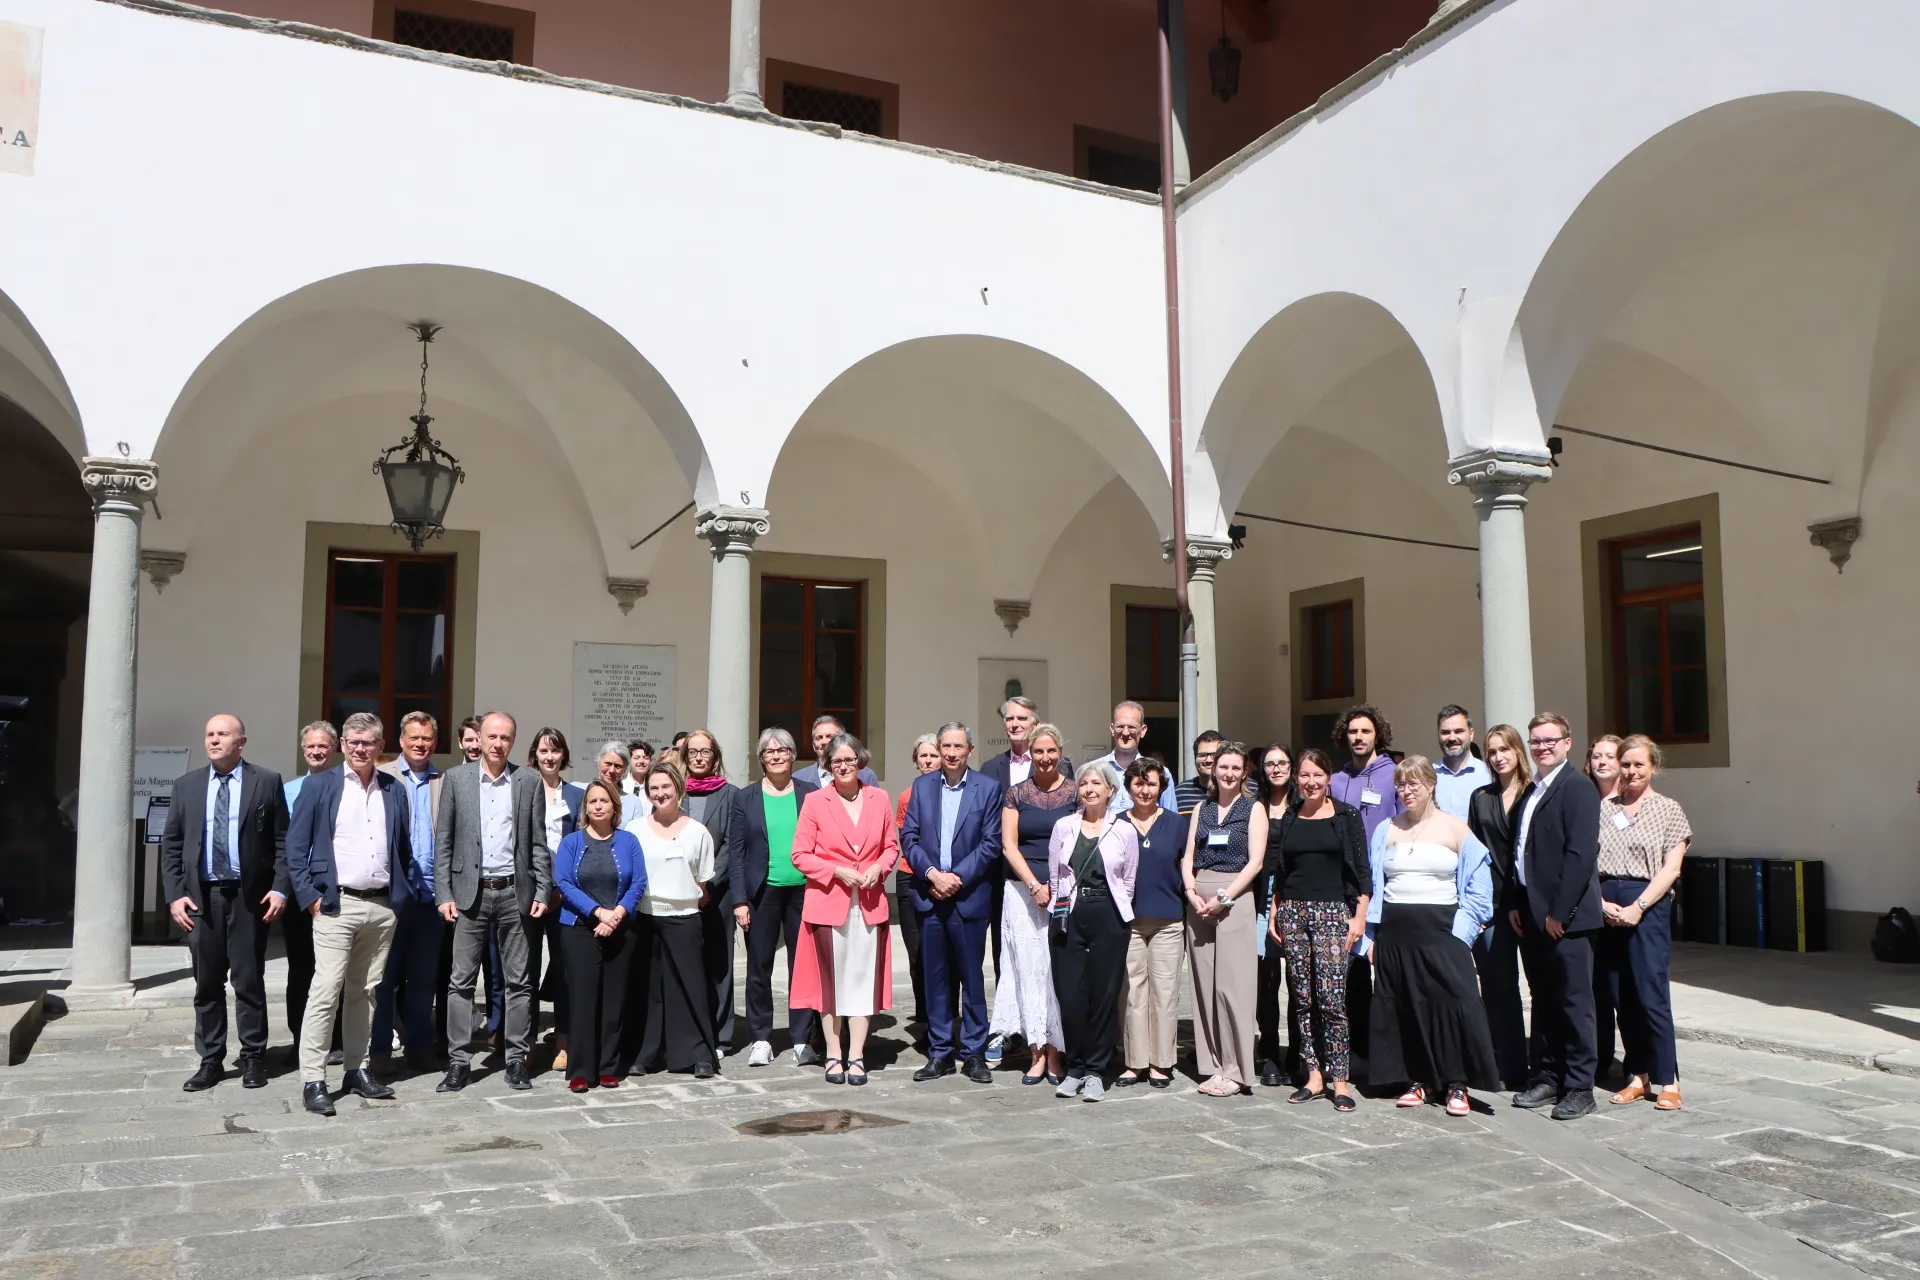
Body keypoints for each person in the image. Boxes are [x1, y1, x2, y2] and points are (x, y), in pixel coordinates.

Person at [286, 712, 413, 1116]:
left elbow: (403, 848)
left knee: (365, 992)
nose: (361, 749)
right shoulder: (320, 785)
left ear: (381, 747)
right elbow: (295, 846)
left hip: (380, 907)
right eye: (354, 742)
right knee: (326, 991)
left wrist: (399, 897)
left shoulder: (394, 788)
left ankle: (356, 1069)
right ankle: (313, 1077)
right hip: (335, 905)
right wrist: (309, 896)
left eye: (369, 743)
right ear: (342, 745)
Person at [1364, 755, 1500, 1117]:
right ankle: (1418, 1079)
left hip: (1443, 932)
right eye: (1401, 784)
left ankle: (1457, 1083)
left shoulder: (1456, 829)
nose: (1407, 791)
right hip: (1395, 932)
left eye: (1414, 784)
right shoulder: (1386, 829)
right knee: (1407, 1005)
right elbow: (1375, 884)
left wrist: (1461, 934)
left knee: (1456, 1001)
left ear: (1431, 785)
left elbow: (1480, 889)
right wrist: (1372, 936)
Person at [162, 714, 290, 1092]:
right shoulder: (186, 786)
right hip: (203, 899)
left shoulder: (265, 781)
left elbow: (282, 841)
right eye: (210, 734)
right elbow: (171, 845)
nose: (214, 740)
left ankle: (253, 1057)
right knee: (207, 984)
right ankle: (211, 1060)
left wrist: (280, 887)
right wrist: (174, 895)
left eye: (223, 734)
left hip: (249, 898)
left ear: (241, 741)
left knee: (249, 980)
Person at [434, 711, 551, 1093]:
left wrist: (543, 890)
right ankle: (458, 1061)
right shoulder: (456, 779)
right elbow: (444, 843)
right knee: (460, 982)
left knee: (519, 981)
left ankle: (516, 1059)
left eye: (506, 737)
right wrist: (444, 894)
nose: (498, 743)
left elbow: (537, 842)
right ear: (479, 739)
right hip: (471, 894)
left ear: (513, 741)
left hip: (515, 893)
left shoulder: (528, 781)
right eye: (492, 736)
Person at [790, 733, 899, 1086]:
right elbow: (800, 855)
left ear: (860, 761)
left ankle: (857, 1055)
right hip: (828, 904)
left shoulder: (879, 798)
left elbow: (891, 847)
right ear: (828, 765)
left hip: (868, 905)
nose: (843, 765)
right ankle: (834, 1052)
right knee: (830, 983)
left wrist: (878, 868)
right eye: (837, 760)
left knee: (861, 981)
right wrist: (835, 870)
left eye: (850, 759)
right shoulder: (815, 802)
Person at [1511, 712, 1604, 1121]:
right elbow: (1522, 853)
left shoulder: (1578, 788)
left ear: (1567, 743)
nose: (1542, 747)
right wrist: (1517, 901)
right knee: (1544, 1001)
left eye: (1550, 740)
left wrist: (1558, 913)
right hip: (1533, 916)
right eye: (1536, 741)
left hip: (1566, 920)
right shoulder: (1533, 789)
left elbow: (1581, 855)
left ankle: (1580, 1086)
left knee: (1574, 1002)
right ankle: (1548, 1076)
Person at [1264, 747, 1369, 1111]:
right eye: (1305, 775)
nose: (1310, 782)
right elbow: (1280, 869)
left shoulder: (1345, 816)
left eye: (1317, 775)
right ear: (1298, 778)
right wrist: (1276, 909)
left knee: (1332, 1000)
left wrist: (1359, 916)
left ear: (1328, 779)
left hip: (1332, 913)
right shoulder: (1290, 817)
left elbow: (1362, 871)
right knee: (1302, 999)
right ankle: (1313, 1074)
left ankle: (1340, 1079)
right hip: (1293, 911)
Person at [901, 722, 1005, 1084]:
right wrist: (932, 873)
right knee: (937, 979)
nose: (950, 752)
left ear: (969, 750)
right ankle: (940, 1052)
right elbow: (909, 837)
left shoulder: (988, 789)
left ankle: (973, 1052)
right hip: (931, 896)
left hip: (968, 897)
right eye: (945, 745)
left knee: (972, 979)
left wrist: (954, 877)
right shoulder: (922, 786)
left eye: (957, 745)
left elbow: (991, 843)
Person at [1597, 735, 1691, 1112]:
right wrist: (1600, 902)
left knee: (1651, 994)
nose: (1632, 771)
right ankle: (1637, 1075)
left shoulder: (1669, 810)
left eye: (1639, 764)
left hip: (1647, 905)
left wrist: (1639, 904)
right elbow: (1588, 860)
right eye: (1626, 764)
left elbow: (1672, 867)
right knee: (1621, 996)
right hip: (1607, 904)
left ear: (1653, 767)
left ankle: (1668, 1078)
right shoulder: (1604, 809)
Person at [978, 695, 1065, 1063]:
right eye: (1009, 718)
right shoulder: (990, 767)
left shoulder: (1063, 768)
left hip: (1056, 880)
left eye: (1022, 718)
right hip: (1005, 877)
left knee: (1051, 956)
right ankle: (1012, 1030)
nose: (1014, 723)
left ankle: (1054, 1032)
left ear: (1035, 722)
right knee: (1009, 953)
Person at [1181, 742, 1269, 1097]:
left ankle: (1236, 1069)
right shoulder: (1201, 808)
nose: (1229, 774)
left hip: (1233, 899)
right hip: (1198, 899)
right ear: (1213, 770)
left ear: (1244, 772)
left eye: (1236, 768)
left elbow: (1256, 862)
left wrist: (1225, 898)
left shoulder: (1253, 809)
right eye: (1223, 767)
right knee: (1204, 986)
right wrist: (1190, 889)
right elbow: (1189, 855)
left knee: (1234, 987)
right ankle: (1213, 1065)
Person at [730, 728, 821, 1067]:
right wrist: (739, 900)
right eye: (769, 751)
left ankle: (801, 1038)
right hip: (761, 892)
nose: (777, 755)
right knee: (758, 968)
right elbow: (736, 853)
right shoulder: (746, 797)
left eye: (783, 749)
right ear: (761, 759)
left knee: (803, 968)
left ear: (793, 754)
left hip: (804, 891)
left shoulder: (811, 793)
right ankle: (761, 1038)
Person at [1050, 763, 1137, 1101]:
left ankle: (1096, 1071)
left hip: (1108, 915)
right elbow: (1056, 875)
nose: (1089, 789)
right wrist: (1057, 913)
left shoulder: (1124, 829)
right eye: (1084, 783)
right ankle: (1075, 1066)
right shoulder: (1064, 826)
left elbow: (1128, 880)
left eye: (1096, 783)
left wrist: (1119, 912)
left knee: (1103, 994)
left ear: (1110, 790)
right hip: (1069, 915)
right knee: (1070, 995)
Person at [991, 723, 1072, 1084]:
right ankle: (1036, 1052)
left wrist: (1055, 888)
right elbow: (1009, 845)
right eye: (1038, 751)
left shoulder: (1074, 793)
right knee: (1027, 972)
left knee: (1056, 972)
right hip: (1023, 892)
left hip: (1065, 892)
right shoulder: (1016, 794)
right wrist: (1034, 885)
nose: (1044, 757)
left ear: (1060, 752)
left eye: (1051, 751)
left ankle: (1056, 1053)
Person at [554, 779, 645, 1092]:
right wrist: (598, 912)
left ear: (614, 806)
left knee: (614, 1000)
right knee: (583, 999)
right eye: (592, 801)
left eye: (603, 800)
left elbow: (638, 883)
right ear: (585, 807)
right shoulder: (572, 843)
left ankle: (608, 1067)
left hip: (620, 930)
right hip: (579, 930)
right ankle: (581, 1069)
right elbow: (564, 884)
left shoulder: (629, 841)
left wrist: (616, 915)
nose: (597, 806)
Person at [630, 763, 720, 1078]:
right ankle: (647, 1052)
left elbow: (703, 881)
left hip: (684, 917)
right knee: (650, 989)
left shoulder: (698, 832)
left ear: (678, 788)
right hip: (646, 917)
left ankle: (699, 1054)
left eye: (666, 787)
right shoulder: (635, 830)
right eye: (653, 788)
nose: (660, 793)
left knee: (690, 987)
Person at [373, 711, 445, 1072]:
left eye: (427, 738)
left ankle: (418, 1045)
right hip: (392, 894)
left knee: (423, 976)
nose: (420, 744)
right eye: (414, 737)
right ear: (401, 740)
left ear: (435, 741)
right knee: (384, 976)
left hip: (432, 896)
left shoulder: (443, 781)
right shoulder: (383, 777)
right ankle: (381, 1049)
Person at [1465, 724, 1533, 1089]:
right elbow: (1476, 853)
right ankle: (1506, 1067)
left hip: (1530, 903)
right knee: (1498, 987)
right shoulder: (1481, 797)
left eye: (1504, 749)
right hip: (1492, 905)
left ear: (1518, 751)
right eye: (1492, 751)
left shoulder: (1534, 794)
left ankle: (1543, 1064)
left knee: (1541, 986)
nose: (1498, 757)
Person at [1114, 758, 1186, 1090]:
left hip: (1168, 920)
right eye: (1139, 783)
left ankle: (1161, 1062)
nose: (1145, 790)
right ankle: (1135, 1061)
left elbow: (1188, 872)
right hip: (1127, 921)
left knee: (1165, 992)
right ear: (1129, 786)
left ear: (1162, 788)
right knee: (1131, 993)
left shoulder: (1177, 824)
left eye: (1152, 784)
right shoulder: (1115, 824)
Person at [681, 729, 741, 1055]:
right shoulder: (675, 794)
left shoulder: (731, 795)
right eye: (693, 752)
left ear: (715, 756)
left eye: (705, 752)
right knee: (688, 964)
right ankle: (691, 1029)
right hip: (679, 894)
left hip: (717, 894)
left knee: (721, 964)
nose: (699, 757)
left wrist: (707, 885)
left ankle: (722, 1035)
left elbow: (733, 844)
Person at [528, 728, 584, 1072]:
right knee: (525, 971)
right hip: (529, 896)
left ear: (564, 755)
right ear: (534, 754)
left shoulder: (576, 795)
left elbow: (580, 847)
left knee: (565, 970)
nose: (550, 757)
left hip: (565, 896)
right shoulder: (521, 789)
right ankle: (526, 1042)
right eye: (544, 751)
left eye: (556, 751)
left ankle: (564, 1040)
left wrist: (562, 889)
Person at [279, 720, 335, 1065]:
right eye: (310, 747)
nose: (315, 752)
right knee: (301, 967)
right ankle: (299, 1038)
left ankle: (337, 1038)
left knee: (335, 969)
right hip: (300, 889)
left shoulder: (343, 787)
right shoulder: (287, 790)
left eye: (322, 746)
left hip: (334, 888)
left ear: (334, 749)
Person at [894, 733, 942, 1047]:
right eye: (922, 756)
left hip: (945, 881)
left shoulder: (954, 792)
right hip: (911, 878)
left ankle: (945, 1018)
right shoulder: (906, 797)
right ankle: (925, 1019)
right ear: (915, 761)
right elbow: (907, 842)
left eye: (932, 755)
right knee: (918, 956)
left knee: (943, 955)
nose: (927, 761)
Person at [1252, 743, 1295, 1088]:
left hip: (1295, 898)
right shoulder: (1255, 805)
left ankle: (1297, 1052)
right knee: (1266, 981)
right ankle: (1268, 1052)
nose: (1277, 769)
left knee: (1298, 981)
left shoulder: (1302, 804)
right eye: (1270, 763)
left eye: (1282, 763)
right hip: (1259, 899)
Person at [1087, 702, 1176, 813]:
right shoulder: (1092, 770)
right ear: (1112, 729)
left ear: (1143, 730)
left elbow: (1170, 820)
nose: (1125, 732)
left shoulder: (1161, 773)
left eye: (1131, 727)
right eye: (1120, 726)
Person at [1330, 704, 1402, 839]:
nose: (1358, 737)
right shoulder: (1335, 782)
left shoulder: (1396, 775)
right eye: (1353, 731)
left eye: (1365, 731)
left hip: (1384, 858)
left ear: (1377, 737)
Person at [1433, 705, 1492, 820]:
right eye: (1445, 732)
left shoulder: (1488, 774)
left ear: (1471, 734)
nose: (1452, 738)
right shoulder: (1428, 775)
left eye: (1458, 731)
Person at [795, 715, 880, 788]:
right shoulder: (799, 778)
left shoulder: (865, 776)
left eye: (830, 736)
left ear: (842, 740)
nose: (824, 742)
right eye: (819, 738)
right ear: (814, 746)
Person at [1173, 731, 1224, 815]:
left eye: (1214, 755)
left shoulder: (1248, 790)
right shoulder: (1180, 793)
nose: (1208, 760)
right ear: (1195, 758)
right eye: (1202, 755)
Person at [1587, 734, 1623, 802]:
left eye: (1610, 757)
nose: (1602, 762)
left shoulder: (1632, 801)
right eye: (1597, 757)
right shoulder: (1582, 798)